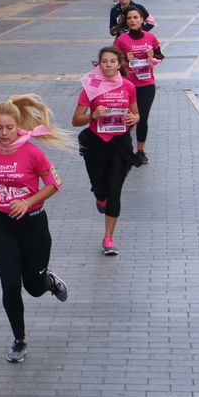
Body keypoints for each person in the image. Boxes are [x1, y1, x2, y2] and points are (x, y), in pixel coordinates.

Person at [0, 95, 69, 363]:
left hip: (33, 226)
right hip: (1, 226)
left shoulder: (33, 152)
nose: (4, 133)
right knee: (10, 283)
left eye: (9, 128)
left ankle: (49, 282)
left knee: (34, 287)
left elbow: (54, 184)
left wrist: (28, 201)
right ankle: (19, 338)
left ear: (19, 125)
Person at [72, 48, 140, 257]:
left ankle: (108, 238)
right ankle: (100, 198)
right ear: (98, 65)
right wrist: (93, 115)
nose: (108, 65)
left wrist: (134, 119)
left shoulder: (128, 86)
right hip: (96, 144)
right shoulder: (90, 87)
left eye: (112, 61)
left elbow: (136, 113)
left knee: (114, 190)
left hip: (120, 144)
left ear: (119, 64)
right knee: (101, 189)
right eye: (104, 61)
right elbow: (76, 120)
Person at [112, 8, 163, 166]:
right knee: (127, 118)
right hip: (127, 85)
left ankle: (140, 151)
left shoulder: (151, 37)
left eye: (135, 18)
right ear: (126, 21)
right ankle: (124, 150)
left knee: (142, 117)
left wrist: (151, 56)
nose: (132, 20)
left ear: (142, 20)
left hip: (146, 84)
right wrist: (125, 61)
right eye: (129, 18)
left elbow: (160, 55)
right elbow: (112, 61)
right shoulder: (121, 40)